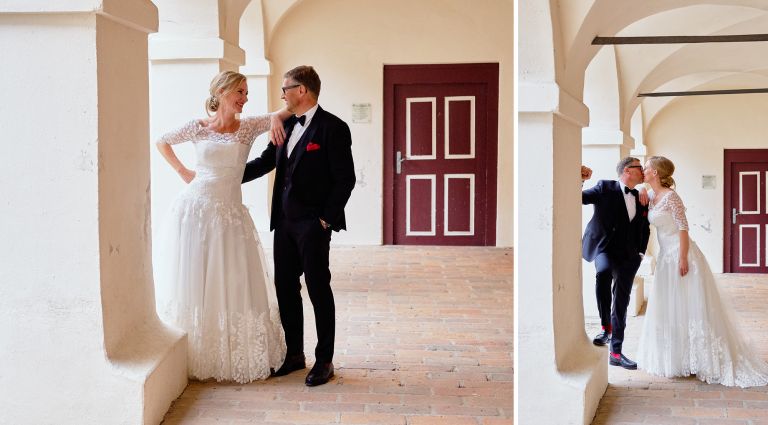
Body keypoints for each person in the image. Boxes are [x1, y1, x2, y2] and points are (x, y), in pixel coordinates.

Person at [154, 71, 293, 384]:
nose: (245, 98)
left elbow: (289, 110)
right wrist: (182, 171)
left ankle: (229, 354)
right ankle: (194, 351)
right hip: (194, 212)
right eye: (240, 92)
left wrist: (275, 118)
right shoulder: (197, 126)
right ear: (222, 93)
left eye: (246, 92)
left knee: (232, 281)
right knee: (194, 282)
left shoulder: (248, 127)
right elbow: (162, 141)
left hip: (229, 218)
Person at [242, 65, 356, 387]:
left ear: (301, 90)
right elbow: (266, 162)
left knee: (319, 289)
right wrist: (226, 176)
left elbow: (345, 179)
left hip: (313, 224)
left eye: (285, 89)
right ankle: (295, 355)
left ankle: (324, 360)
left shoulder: (334, 128)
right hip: (283, 223)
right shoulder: (285, 124)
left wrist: (324, 220)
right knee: (285, 289)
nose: (282, 95)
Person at [636, 156, 768, 386]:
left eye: (646, 167)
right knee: (671, 307)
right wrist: (640, 190)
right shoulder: (651, 196)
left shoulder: (671, 197)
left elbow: (683, 228)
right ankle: (678, 358)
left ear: (655, 172)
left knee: (690, 306)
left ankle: (702, 359)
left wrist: (683, 258)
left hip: (680, 255)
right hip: (665, 258)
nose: (643, 170)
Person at [581, 157, 650, 370]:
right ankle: (605, 328)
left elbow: (644, 228)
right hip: (604, 248)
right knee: (602, 274)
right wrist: (579, 179)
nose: (644, 172)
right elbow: (581, 198)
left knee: (621, 301)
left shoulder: (641, 196)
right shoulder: (604, 187)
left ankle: (616, 352)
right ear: (628, 170)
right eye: (641, 168)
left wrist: (640, 253)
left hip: (629, 256)